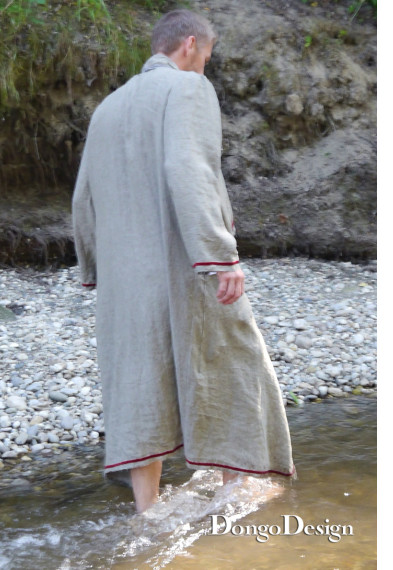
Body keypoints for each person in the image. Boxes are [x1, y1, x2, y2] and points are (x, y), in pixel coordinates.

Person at [72, 9, 294, 514]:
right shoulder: (188, 88)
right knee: (232, 356)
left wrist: (93, 268)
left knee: (139, 378)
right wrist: (219, 256)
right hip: (186, 262)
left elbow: (83, 196)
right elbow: (188, 167)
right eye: (207, 57)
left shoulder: (107, 107)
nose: (205, 66)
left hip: (124, 279)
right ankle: (237, 486)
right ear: (190, 45)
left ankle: (148, 512)